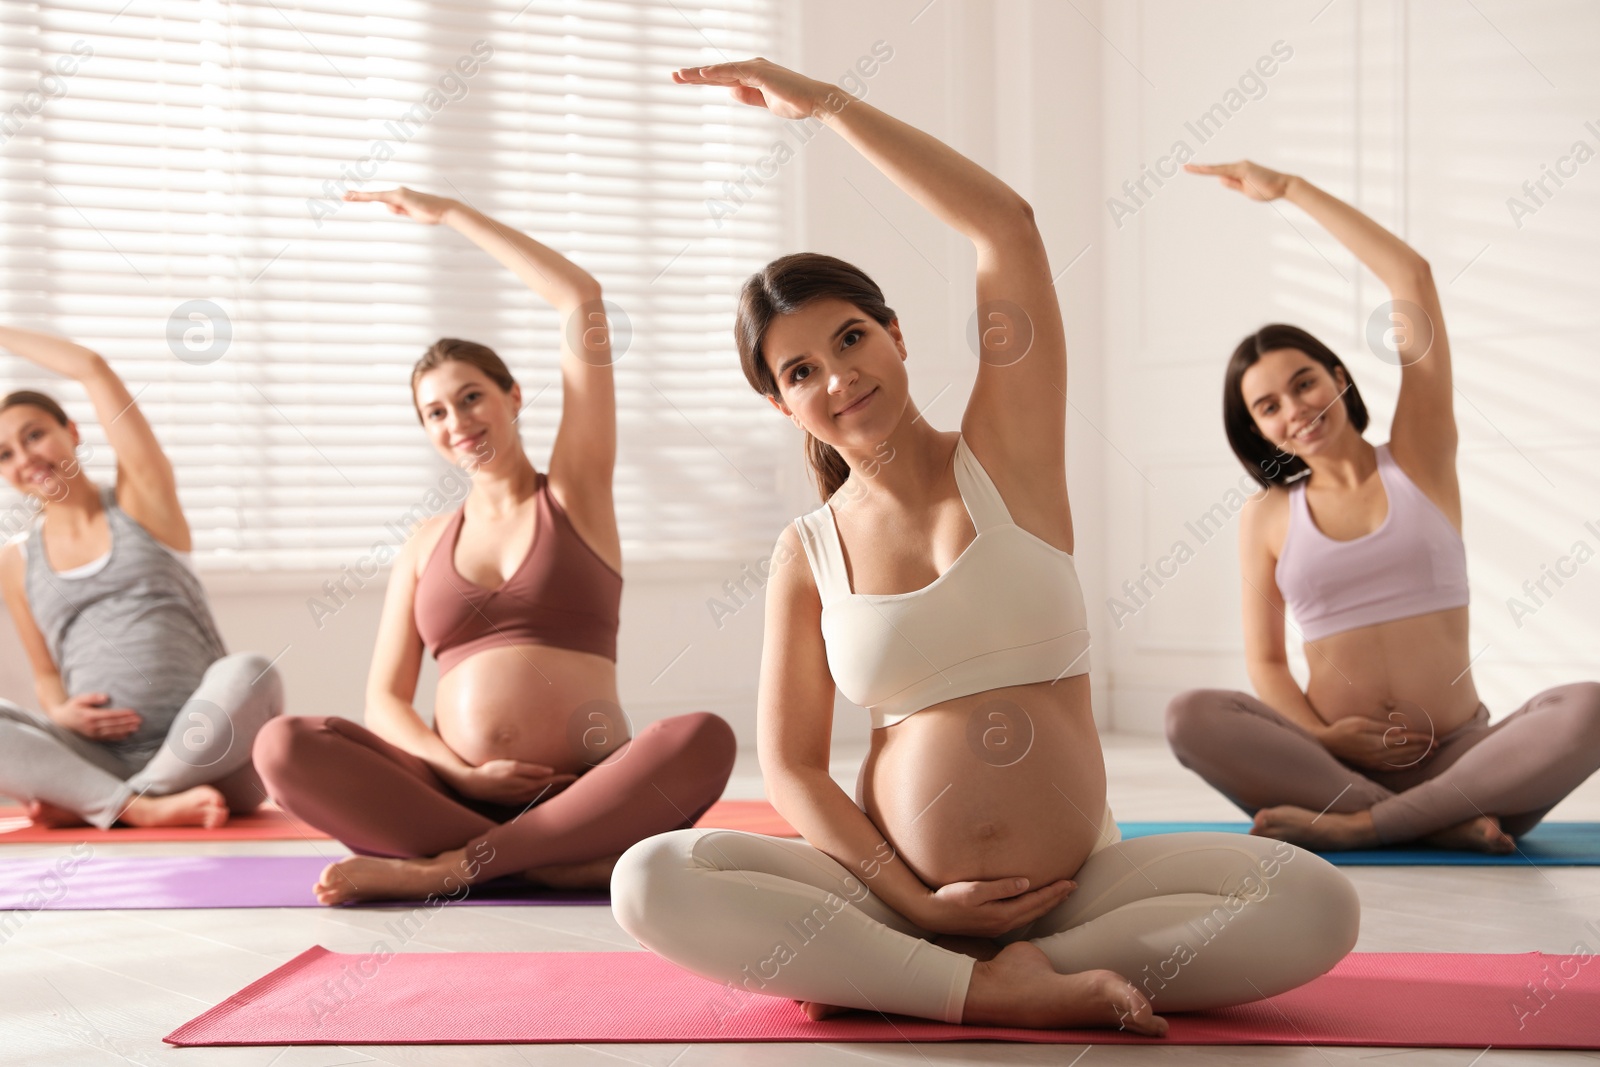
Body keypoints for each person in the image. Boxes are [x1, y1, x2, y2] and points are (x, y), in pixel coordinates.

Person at [610, 61, 1359, 1035]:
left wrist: (828, 107)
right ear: (777, 401)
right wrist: (912, 900)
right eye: (801, 370)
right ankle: (969, 979)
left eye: (849, 339)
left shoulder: (1005, 456)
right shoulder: (809, 551)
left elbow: (1004, 224)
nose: (837, 379)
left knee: (1316, 904)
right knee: (653, 874)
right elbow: (793, 767)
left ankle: (928, 977)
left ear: (896, 333)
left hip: (1075, 887)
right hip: (897, 893)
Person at [253, 188, 736, 904]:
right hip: (455, 797)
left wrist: (451, 215)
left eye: (472, 396)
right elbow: (386, 699)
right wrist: (456, 771)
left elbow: (581, 303)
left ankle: (453, 869)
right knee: (282, 745)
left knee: (703, 737)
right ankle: (550, 863)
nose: (458, 421)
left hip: (585, 793)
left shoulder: (574, 495)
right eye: (436, 412)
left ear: (512, 395)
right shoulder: (422, 542)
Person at [1165, 160, 1600, 852]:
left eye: (1305, 383)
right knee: (1190, 715)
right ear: (1256, 428)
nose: (1296, 410)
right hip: (1333, 768)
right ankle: (1436, 825)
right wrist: (1319, 736)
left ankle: (1369, 827)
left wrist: (1290, 191)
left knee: (1591, 707)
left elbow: (1412, 279)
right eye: (1268, 405)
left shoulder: (1419, 458)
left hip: (1465, 762)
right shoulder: (1267, 517)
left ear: (1338, 377)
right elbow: (1269, 665)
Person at [0, 326, 284, 829]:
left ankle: (115, 804)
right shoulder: (16, 561)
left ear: (72, 430)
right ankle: (138, 804)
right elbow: (46, 673)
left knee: (252, 670)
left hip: (209, 754)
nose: (26, 458)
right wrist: (60, 711)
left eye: (35, 434)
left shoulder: (142, 504)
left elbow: (92, 366)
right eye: (5, 455)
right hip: (95, 755)